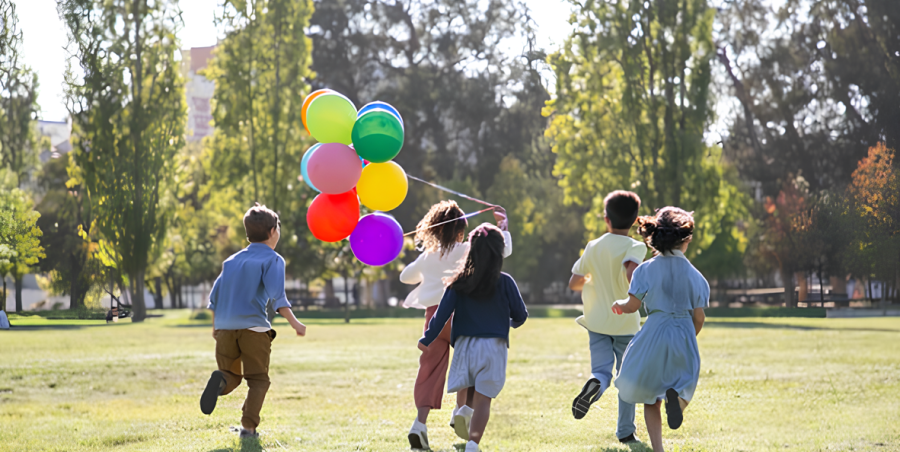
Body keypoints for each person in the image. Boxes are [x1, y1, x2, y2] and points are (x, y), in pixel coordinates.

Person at [400, 200, 512, 450]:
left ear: (434, 229)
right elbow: (501, 251)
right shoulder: (466, 250)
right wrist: (503, 228)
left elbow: (404, 276)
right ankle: (461, 412)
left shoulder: (428, 256)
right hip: (461, 317)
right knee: (470, 368)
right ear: (461, 230)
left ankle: (419, 424)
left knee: (428, 371)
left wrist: (426, 263)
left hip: (433, 320)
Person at [200, 203, 308, 439]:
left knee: (231, 375)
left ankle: (220, 381)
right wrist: (295, 323)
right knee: (258, 380)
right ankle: (248, 429)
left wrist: (215, 327)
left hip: (225, 329)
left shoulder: (231, 261)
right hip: (254, 330)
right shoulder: (273, 260)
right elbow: (278, 297)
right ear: (272, 232)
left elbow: (214, 298)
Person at [418, 223, 528, 452]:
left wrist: (427, 339)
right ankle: (472, 444)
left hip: (466, 346)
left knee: (467, 385)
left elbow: (441, 315)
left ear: (471, 250)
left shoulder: (459, 282)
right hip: (494, 347)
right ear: (499, 252)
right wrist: (508, 324)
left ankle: (462, 411)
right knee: (483, 399)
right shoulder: (506, 281)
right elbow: (520, 315)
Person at [611, 207, 709, 452]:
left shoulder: (644, 269)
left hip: (654, 332)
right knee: (685, 384)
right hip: (683, 332)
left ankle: (658, 450)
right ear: (685, 240)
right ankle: (678, 403)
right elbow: (699, 317)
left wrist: (619, 305)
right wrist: (688, 337)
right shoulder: (697, 277)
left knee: (649, 395)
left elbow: (632, 305)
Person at [568, 190, 646, 445]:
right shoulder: (636, 245)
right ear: (635, 221)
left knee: (601, 371)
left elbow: (574, 282)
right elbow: (631, 271)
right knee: (627, 377)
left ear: (606, 219)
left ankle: (595, 384)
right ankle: (626, 431)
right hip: (625, 321)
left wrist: (594, 279)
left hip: (597, 321)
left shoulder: (593, 246)